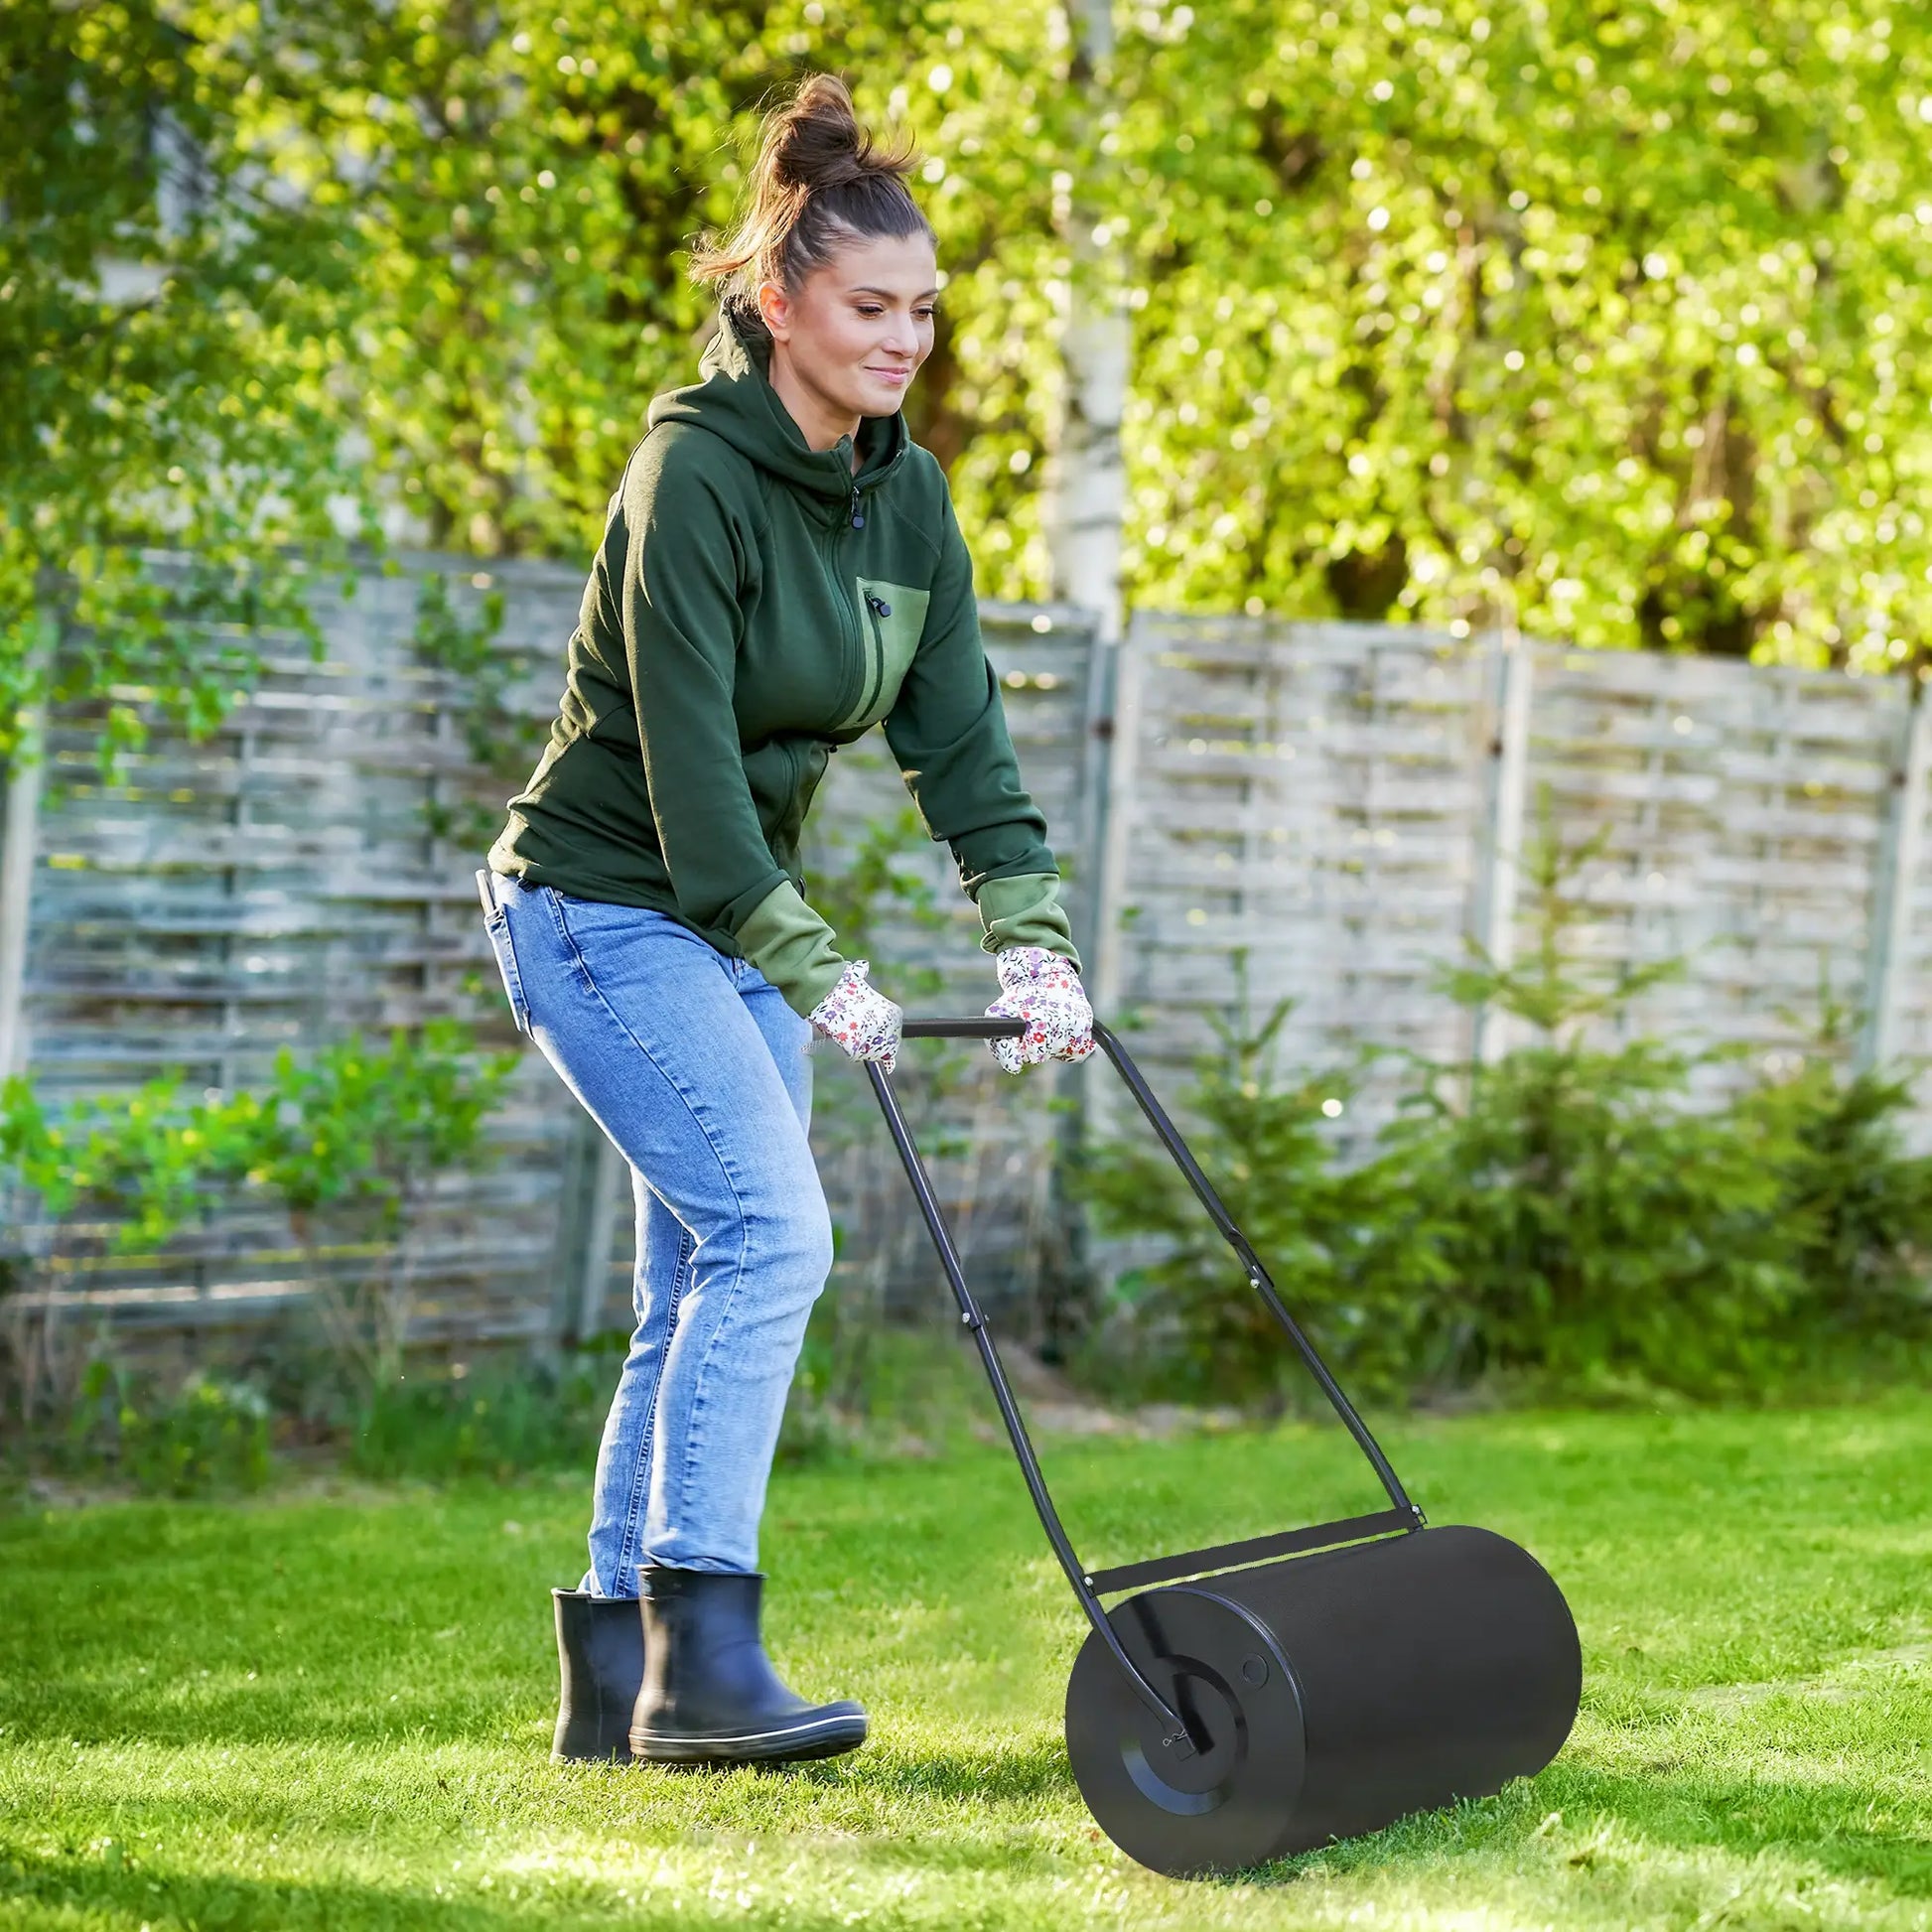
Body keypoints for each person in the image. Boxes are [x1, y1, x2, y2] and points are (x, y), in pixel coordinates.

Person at [475, 71, 1096, 1769]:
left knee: (696, 1282)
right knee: (776, 1238)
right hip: (599, 906)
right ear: (778, 305)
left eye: (924, 311)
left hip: (726, 926)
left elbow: (959, 738)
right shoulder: (692, 476)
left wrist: (1028, 935)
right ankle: (703, 1662)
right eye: (870, 307)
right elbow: (689, 795)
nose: (904, 339)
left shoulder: (908, 500)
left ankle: (617, 1682)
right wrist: (827, 977)